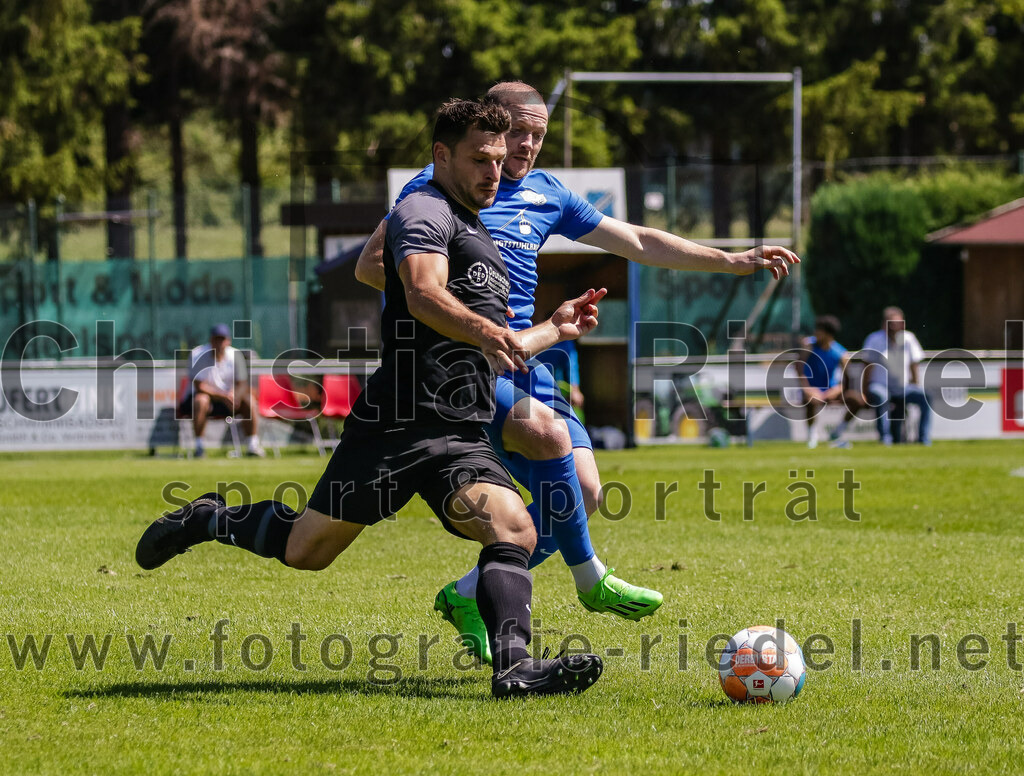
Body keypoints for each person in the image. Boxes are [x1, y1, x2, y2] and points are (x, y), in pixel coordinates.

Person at [137, 98, 605, 698]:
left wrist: (555, 329)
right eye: (480, 159)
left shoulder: (481, 235)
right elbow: (421, 293)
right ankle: (208, 518)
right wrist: (490, 330)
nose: (495, 171)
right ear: (442, 155)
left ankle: (513, 670)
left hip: (460, 432)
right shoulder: (422, 212)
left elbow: (493, 347)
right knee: (307, 551)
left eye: (497, 159)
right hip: (397, 427)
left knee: (514, 528)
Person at [356, 81, 801, 663]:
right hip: (466, 363)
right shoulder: (434, 191)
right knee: (550, 435)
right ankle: (590, 577)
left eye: (539, 135)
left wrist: (731, 260)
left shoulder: (547, 193)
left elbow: (638, 239)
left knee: (583, 494)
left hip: (531, 357)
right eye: (519, 132)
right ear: (490, 126)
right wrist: (457, 312)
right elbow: (371, 267)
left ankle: (467, 593)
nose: (529, 145)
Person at [179, 323, 264, 458]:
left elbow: (242, 384)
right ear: (211, 340)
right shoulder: (197, 355)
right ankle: (199, 446)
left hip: (228, 401)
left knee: (249, 400)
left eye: (222, 339)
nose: (219, 343)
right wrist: (223, 395)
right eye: (216, 339)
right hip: (203, 401)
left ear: (228, 341)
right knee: (201, 400)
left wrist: (234, 396)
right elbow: (199, 386)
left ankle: (253, 445)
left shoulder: (235, 355)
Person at [861, 306, 932, 445]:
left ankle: (924, 439)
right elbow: (867, 368)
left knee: (925, 396)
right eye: (891, 323)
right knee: (882, 396)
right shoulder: (874, 340)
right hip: (880, 386)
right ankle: (885, 439)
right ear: (884, 324)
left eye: (898, 323)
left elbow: (913, 365)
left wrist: (915, 385)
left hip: (903, 388)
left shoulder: (909, 339)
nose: (895, 327)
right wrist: (864, 392)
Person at [797, 315, 867, 449]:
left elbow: (847, 379)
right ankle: (812, 436)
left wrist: (837, 389)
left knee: (858, 400)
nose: (816, 333)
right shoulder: (809, 346)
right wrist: (807, 389)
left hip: (832, 390)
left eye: (819, 330)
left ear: (828, 334)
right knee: (811, 400)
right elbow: (799, 368)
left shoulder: (840, 353)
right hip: (812, 390)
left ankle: (837, 432)